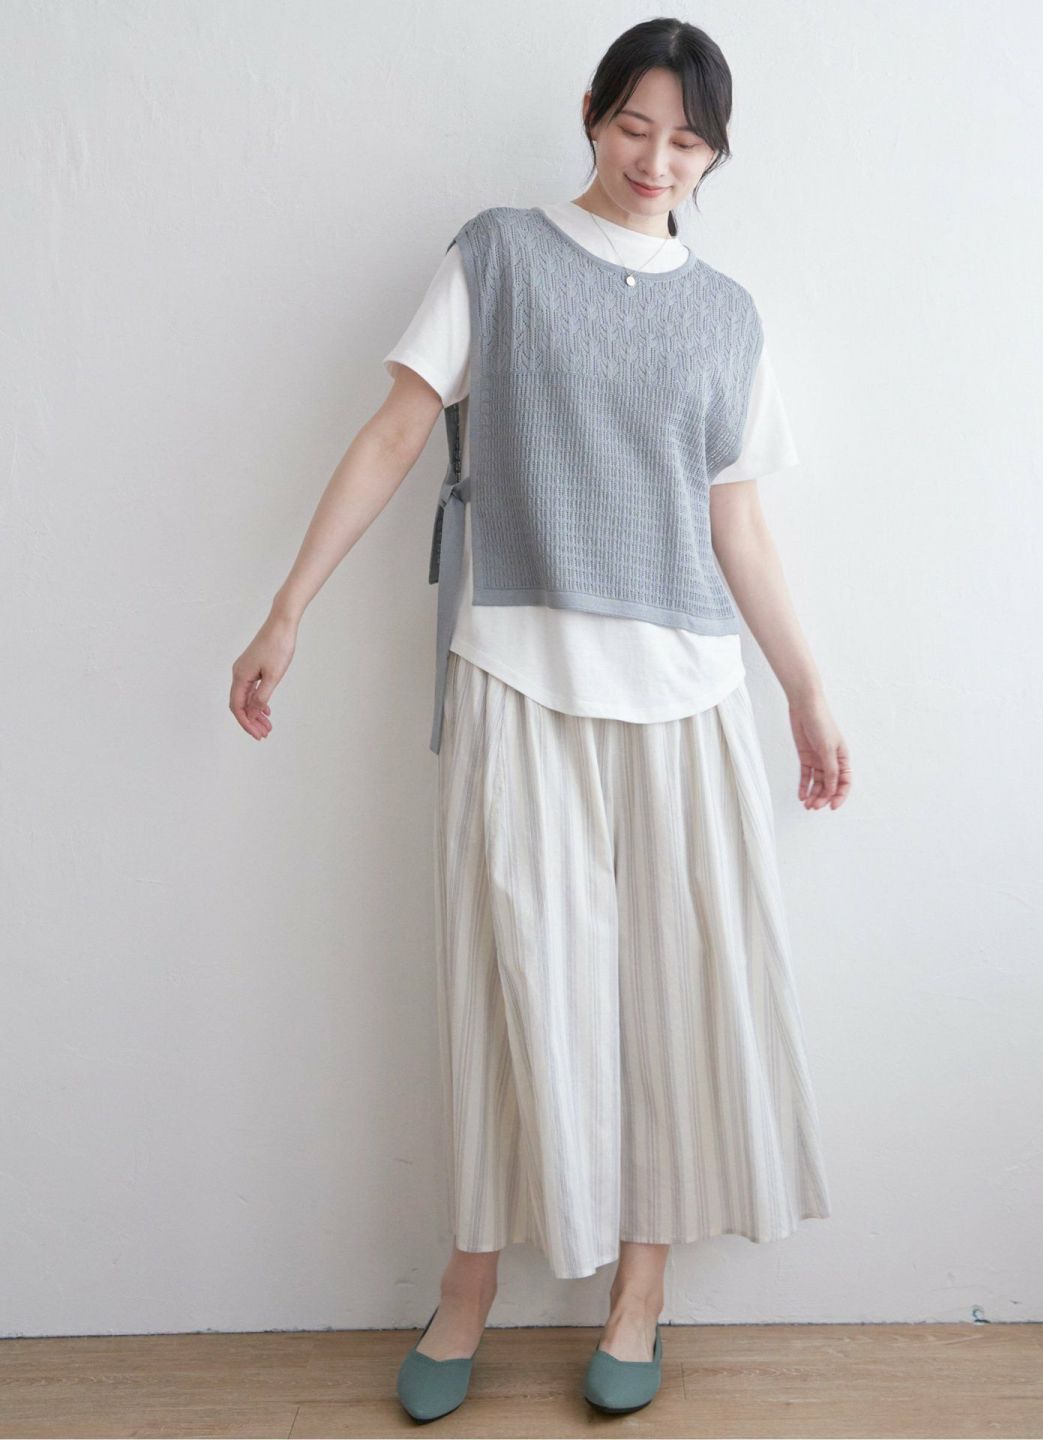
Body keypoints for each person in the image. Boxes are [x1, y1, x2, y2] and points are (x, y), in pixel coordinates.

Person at [229, 16, 851, 1422]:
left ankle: (641, 1292)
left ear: (715, 155)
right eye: (635, 127)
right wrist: (287, 610)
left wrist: (807, 690)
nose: (656, 161)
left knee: (676, 999)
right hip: (517, 673)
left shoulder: (728, 315)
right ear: (591, 114)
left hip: (687, 699)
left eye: (687, 142)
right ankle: (467, 1287)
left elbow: (738, 524)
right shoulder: (499, 257)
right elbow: (396, 432)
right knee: (510, 992)